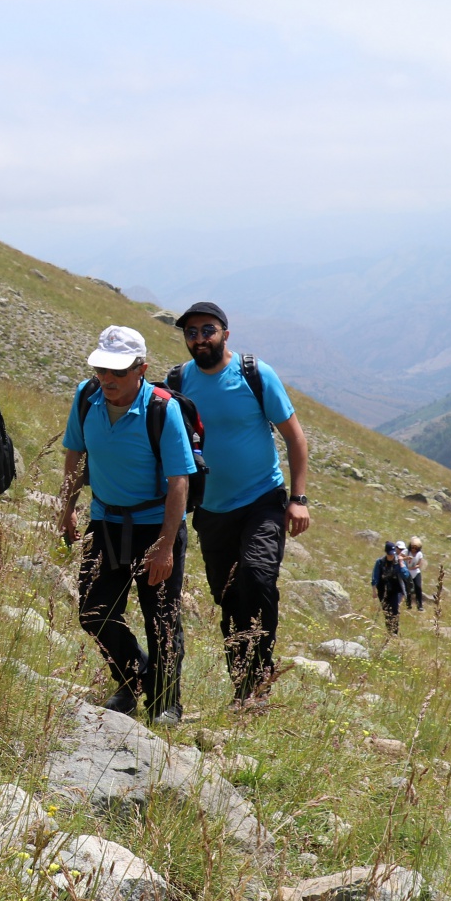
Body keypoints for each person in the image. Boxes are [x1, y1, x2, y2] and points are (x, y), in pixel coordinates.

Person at [168, 302, 310, 706]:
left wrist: (298, 499)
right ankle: (244, 689)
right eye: (191, 332)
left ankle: (259, 684)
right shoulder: (178, 381)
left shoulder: (254, 374)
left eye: (207, 330)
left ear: (225, 334)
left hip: (261, 499)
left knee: (258, 578)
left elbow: (295, 438)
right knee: (229, 597)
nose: (199, 339)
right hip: (210, 509)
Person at [60, 326, 195, 724]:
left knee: (161, 617)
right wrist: (67, 507)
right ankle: (133, 678)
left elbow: (179, 482)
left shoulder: (161, 409)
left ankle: (166, 703)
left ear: (142, 369)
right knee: (93, 611)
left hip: (156, 527)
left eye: (117, 372)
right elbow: (74, 453)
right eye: (102, 369)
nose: (107, 379)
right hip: (104, 522)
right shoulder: (87, 398)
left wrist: (166, 545)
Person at [371, 542, 409, 634]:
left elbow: (406, 575)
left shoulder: (398, 561)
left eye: (393, 553)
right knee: (386, 612)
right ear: (386, 552)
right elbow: (375, 576)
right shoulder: (380, 562)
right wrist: (374, 591)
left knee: (395, 610)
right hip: (383, 590)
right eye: (389, 554)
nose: (391, 556)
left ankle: (395, 632)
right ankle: (389, 632)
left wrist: (401, 563)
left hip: (396, 590)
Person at [405, 537, 426, 611]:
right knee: (408, 588)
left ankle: (419, 605)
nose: (414, 549)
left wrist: (413, 567)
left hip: (416, 572)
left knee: (418, 587)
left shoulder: (419, 554)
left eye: (415, 547)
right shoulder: (407, 552)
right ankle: (408, 604)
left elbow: (419, 564)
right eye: (412, 547)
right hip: (407, 572)